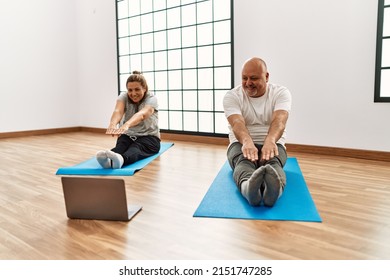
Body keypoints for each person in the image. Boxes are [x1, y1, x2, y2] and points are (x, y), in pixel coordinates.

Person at [223, 57, 292, 207]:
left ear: (266, 77)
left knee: (273, 162)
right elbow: (237, 122)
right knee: (244, 161)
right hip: (240, 142)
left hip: (273, 142)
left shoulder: (281, 93)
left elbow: (279, 120)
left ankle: (275, 190)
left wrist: (271, 140)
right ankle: (248, 188)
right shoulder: (232, 96)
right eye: (244, 78)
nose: (248, 83)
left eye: (253, 78)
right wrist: (247, 142)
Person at [96, 71, 160, 169]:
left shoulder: (151, 98)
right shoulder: (124, 96)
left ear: (145, 88)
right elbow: (118, 111)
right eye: (130, 90)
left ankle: (122, 160)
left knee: (135, 148)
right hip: (128, 135)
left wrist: (126, 124)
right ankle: (107, 160)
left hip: (149, 138)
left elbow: (142, 114)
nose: (133, 93)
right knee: (121, 147)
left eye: (137, 89)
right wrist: (112, 124)